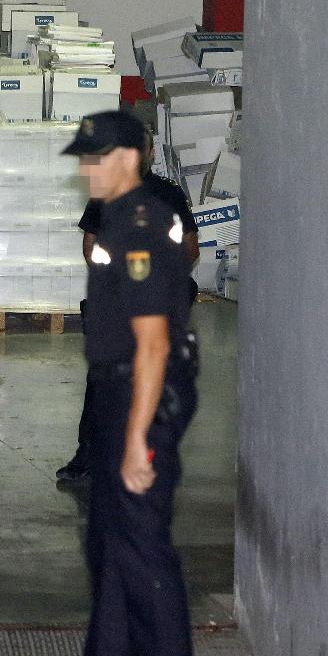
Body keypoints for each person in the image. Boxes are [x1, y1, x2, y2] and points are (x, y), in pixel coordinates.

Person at [37, 111, 201, 656]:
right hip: (119, 391)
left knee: (142, 549)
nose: (86, 169)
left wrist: (137, 438)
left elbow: (154, 343)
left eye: (97, 157)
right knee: (109, 547)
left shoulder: (141, 222)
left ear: (130, 157)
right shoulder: (114, 218)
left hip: (145, 396)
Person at [57, 128, 200, 483]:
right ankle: (89, 456)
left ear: (150, 152)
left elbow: (190, 250)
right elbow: (91, 248)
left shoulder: (168, 196)